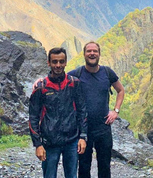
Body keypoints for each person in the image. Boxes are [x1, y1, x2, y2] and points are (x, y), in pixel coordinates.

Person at [33, 41, 125, 178]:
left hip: (103, 128)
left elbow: (121, 90)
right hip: (83, 130)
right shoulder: (77, 74)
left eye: (95, 51)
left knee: (105, 166)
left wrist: (115, 111)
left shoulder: (107, 72)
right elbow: (58, 75)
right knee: (83, 166)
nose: (92, 53)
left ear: (99, 54)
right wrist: (41, 81)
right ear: (84, 54)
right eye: (89, 51)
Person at [29, 47, 88, 178]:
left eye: (61, 62)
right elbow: (33, 116)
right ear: (48, 63)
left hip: (72, 141)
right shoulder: (41, 87)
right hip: (49, 143)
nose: (58, 65)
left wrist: (83, 137)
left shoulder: (74, 83)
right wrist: (38, 144)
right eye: (55, 62)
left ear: (66, 62)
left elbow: (82, 111)